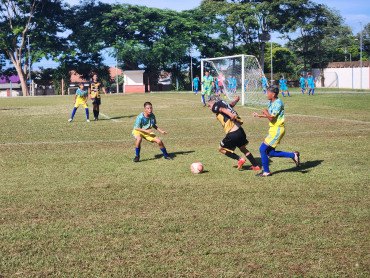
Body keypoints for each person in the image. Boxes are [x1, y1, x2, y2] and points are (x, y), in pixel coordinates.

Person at [253, 86, 300, 177]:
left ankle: (266, 171)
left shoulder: (278, 103)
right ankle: (293, 155)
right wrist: (259, 115)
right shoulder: (271, 102)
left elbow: (271, 117)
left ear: (273, 94)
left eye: (268, 93)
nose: (266, 95)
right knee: (270, 153)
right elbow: (269, 115)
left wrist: (265, 111)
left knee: (262, 149)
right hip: (273, 129)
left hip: (278, 129)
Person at [208, 95, 260, 171]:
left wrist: (231, 115)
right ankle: (256, 166)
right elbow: (230, 106)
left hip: (232, 133)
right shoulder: (223, 103)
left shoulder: (216, 106)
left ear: (213, 102)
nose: (210, 108)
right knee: (243, 149)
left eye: (209, 105)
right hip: (240, 130)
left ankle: (239, 159)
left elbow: (221, 109)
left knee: (220, 148)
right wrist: (236, 100)